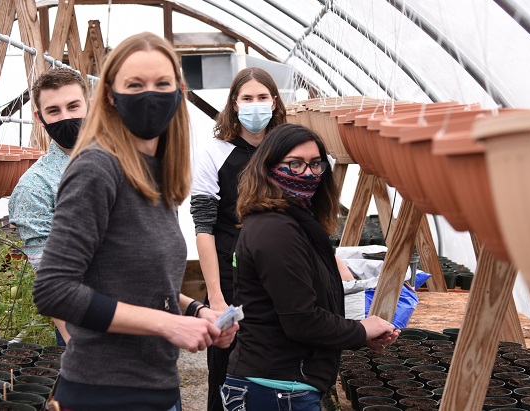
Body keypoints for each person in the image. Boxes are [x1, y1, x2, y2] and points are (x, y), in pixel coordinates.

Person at [32, 32, 238, 411]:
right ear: (110, 96)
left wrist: (196, 312)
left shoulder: (158, 175)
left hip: (156, 388)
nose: (150, 96)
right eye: (135, 85)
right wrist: (166, 324)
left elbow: (135, 283)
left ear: (179, 92)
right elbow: (53, 290)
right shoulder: (97, 168)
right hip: (105, 392)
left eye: (162, 84)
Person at [221, 123, 400, 410]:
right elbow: (301, 319)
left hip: (285, 385)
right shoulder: (275, 230)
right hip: (277, 390)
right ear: (268, 167)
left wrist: (360, 335)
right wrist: (360, 329)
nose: (308, 173)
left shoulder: (295, 223)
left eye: (315, 165)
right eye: (295, 164)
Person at [189, 67, 286, 411]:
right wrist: (215, 296)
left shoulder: (288, 149)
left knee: (277, 367)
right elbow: (204, 227)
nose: (255, 105)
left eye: (262, 98)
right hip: (233, 276)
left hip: (281, 274)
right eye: (247, 98)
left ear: (274, 102)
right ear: (234, 104)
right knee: (227, 368)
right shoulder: (215, 152)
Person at [8, 67, 89, 346]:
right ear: (39, 117)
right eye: (54, 110)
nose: (66, 117)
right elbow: (49, 275)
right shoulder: (36, 187)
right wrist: (78, 347)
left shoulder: (126, 162)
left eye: (73, 106)